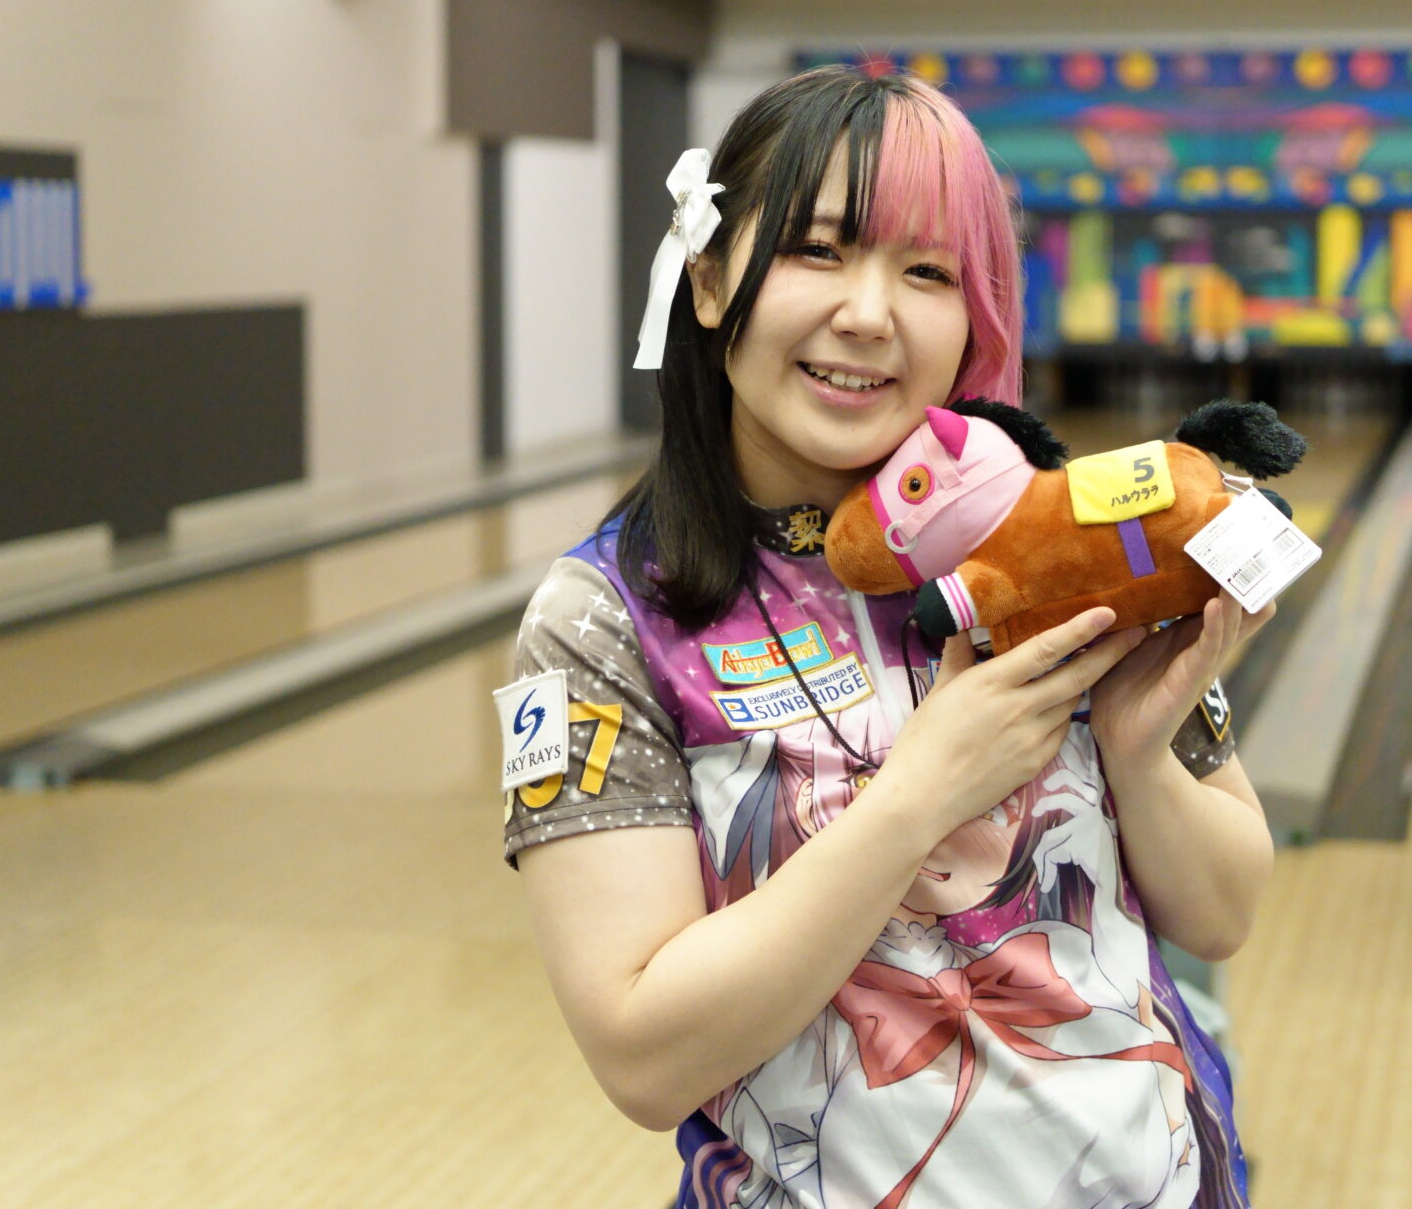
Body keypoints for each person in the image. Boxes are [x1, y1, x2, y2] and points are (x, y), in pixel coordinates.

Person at [499, 64, 1277, 1209]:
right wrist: (919, 795)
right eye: (817, 251)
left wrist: (1136, 749)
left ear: (973, 316)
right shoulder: (606, 620)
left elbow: (1224, 910)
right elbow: (644, 1055)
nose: (869, 313)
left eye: (927, 271)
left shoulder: (1060, 543)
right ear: (708, 280)